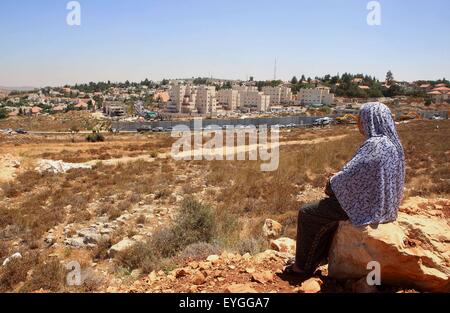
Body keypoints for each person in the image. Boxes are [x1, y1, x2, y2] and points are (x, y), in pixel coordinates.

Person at [285, 102, 405, 277]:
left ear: (370, 120)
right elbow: (361, 174)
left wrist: (332, 181)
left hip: (367, 206)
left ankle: (302, 267)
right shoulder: (392, 143)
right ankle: (317, 257)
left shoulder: (375, 144)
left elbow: (348, 178)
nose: (358, 123)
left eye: (360, 119)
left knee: (308, 213)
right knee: (326, 212)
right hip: (383, 204)